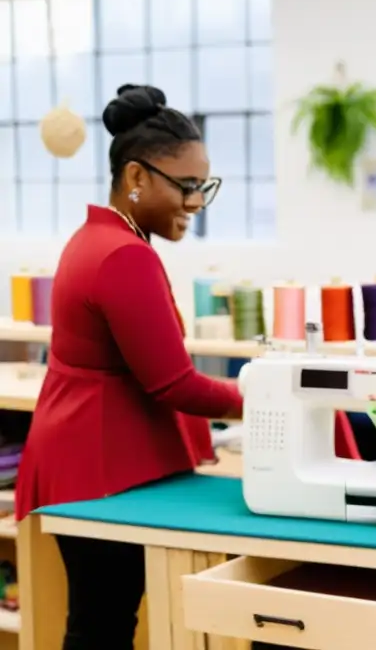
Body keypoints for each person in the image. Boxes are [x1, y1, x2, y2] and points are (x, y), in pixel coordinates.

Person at [15, 84, 243, 650]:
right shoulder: (124, 256)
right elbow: (174, 383)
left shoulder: (96, 238)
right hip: (100, 466)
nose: (195, 203)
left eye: (203, 187)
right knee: (102, 623)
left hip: (88, 458)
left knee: (102, 619)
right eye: (186, 187)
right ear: (137, 178)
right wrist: (267, 394)